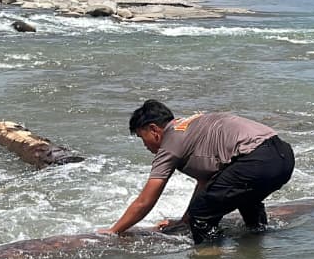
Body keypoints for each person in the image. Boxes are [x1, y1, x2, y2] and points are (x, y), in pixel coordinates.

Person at [102, 100, 295, 244]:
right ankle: (257, 241)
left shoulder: (171, 141)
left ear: (154, 129)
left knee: (201, 217)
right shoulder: (192, 126)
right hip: (283, 156)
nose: (144, 145)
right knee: (242, 196)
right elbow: (208, 183)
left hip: (257, 160)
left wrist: (113, 231)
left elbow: (145, 200)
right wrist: (184, 222)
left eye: (141, 137)